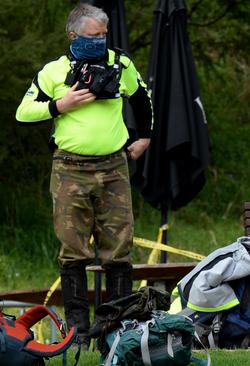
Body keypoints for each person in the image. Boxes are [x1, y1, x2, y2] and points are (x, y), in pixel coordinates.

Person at [15, 4, 152, 348]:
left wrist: (145, 137)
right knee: (73, 251)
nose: (101, 41)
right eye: (93, 36)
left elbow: (142, 98)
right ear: (72, 36)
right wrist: (60, 105)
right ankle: (78, 333)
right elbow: (23, 111)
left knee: (118, 251)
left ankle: (116, 333)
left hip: (114, 167)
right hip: (69, 169)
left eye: (104, 35)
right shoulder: (54, 72)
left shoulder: (120, 64)